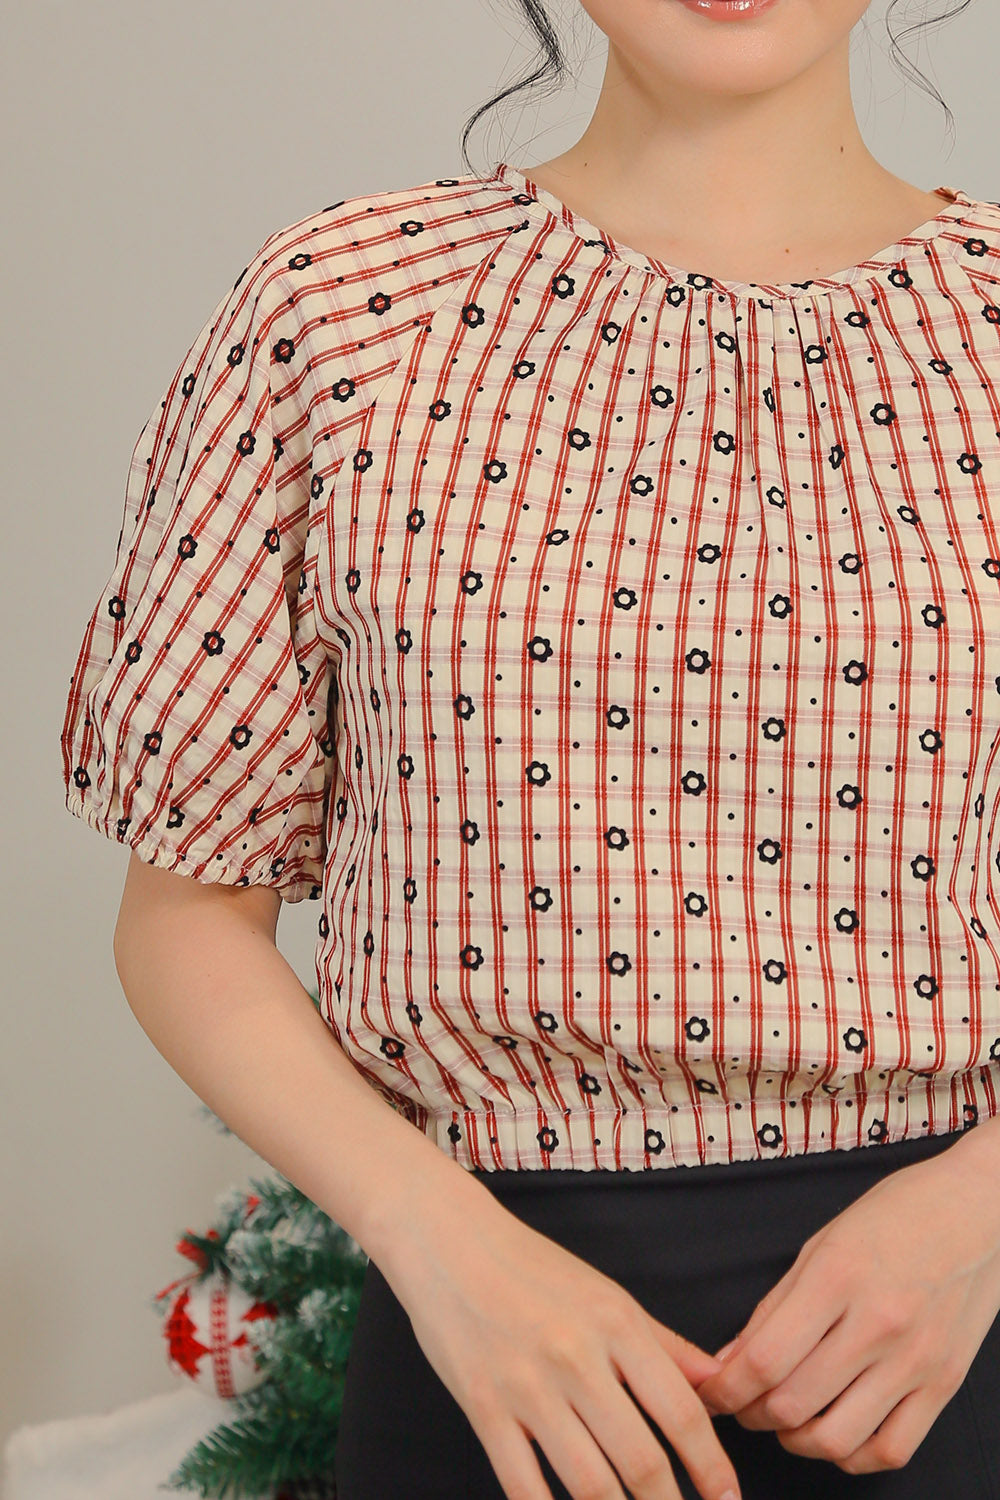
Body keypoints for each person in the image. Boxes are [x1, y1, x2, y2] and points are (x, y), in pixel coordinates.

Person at [59, 0, 1000, 1495]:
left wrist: (981, 1218)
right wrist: (439, 1244)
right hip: (475, 1357)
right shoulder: (346, 312)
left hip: (943, 1358)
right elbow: (185, 918)